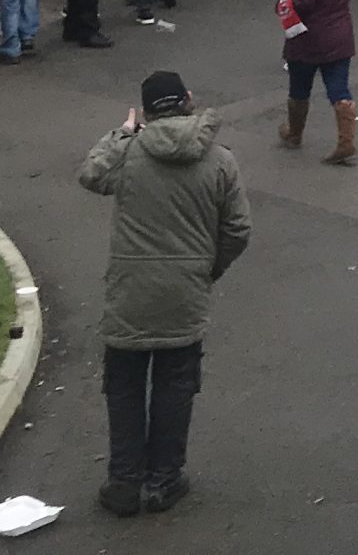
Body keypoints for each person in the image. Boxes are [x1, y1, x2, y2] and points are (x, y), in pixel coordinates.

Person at [78, 69, 253, 517]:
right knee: (176, 385)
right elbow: (238, 229)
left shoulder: (128, 154)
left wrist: (122, 133)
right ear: (188, 100)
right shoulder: (220, 161)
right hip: (185, 291)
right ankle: (163, 479)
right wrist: (208, 268)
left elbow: (91, 174)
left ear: (146, 112)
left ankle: (124, 483)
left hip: (129, 293)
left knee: (124, 386)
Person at [277, 0, 358, 165]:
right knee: (339, 89)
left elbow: (302, 3)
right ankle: (346, 141)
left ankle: (294, 133)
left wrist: (282, 3)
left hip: (308, 39)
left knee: (299, 88)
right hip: (340, 37)